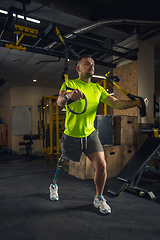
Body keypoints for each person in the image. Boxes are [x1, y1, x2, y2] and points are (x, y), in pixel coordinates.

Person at [49, 54, 148, 214]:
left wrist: (136, 102)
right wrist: (69, 96)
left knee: (101, 165)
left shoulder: (97, 88)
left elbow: (115, 102)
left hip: (90, 134)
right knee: (62, 161)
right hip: (71, 134)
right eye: (87, 64)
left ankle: (98, 197)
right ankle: (54, 185)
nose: (92, 66)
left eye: (93, 64)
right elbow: (60, 101)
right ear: (78, 68)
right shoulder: (70, 83)